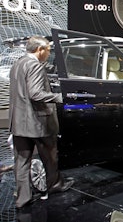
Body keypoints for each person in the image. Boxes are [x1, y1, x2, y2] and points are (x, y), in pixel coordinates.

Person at [9, 36, 74, 209]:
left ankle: (23, 199)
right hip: (38, 122)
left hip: (19, 122)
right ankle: (54, 185)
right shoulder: (35, 65)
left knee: (21, 162)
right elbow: (36, 94)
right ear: (40, 50)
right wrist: (60, 97)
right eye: (48, 50)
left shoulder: (17, 64)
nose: (48, 54)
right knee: (50, 157)